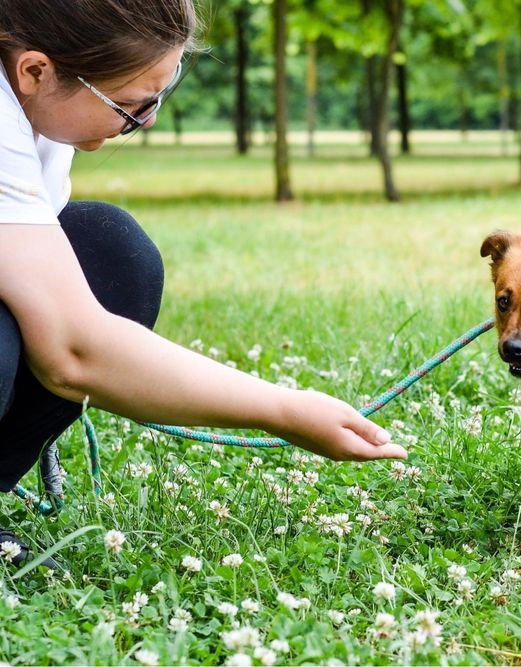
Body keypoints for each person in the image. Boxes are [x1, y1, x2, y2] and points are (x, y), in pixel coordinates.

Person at [0, 0, 406, 567]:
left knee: (110, 251)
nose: (147, 122)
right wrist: (286, 411)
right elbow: (72, 349)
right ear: (36, 71)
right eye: (130, 106)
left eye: (157, 98)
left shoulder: (38, 117)